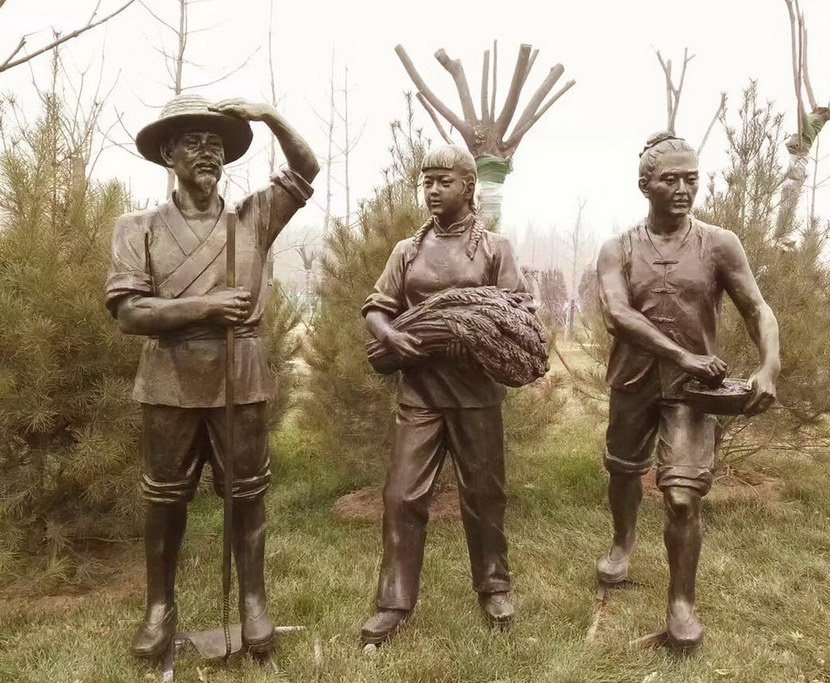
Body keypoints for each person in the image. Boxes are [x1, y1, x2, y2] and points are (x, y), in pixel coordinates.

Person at [105, 94, 318, 658]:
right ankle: (160, 607)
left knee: (247, 495)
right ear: (168, 154)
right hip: (169, 379)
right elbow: (129, 313)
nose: (207, 153)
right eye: (193, 142)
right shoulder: (136, 228)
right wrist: (206, 306)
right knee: (164, 500)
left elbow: (306, 168)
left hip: (240, 376)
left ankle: (254, 601)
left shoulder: (252, 219)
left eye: (216, 144)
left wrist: (271, 116)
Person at [595, 131, 780, 648]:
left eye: (691, 179)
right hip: (633, 381)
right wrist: (682, 354)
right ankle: (623, 541)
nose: (682, 189)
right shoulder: (617, 248)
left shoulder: (719, 244)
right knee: (624, 470)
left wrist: (770, 364)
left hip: (694, 392)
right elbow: (616, 314)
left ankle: (681, 605)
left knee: (682, 497)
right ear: (644, 185)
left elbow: (756, 307)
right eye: (670, 179)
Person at [359, 145, 528, 645]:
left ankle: (494, 585)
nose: (432, 190)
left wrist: (473, 335)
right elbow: (377, 306)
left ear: (468, 186)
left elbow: (518, 310)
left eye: (443, 181)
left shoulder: (494, 249)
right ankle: (394, 600)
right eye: (427, 181)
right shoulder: (407, 251)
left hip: (476, 394)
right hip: (420, 393)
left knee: (484, 495)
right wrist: (390, 336)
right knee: (402, 495)